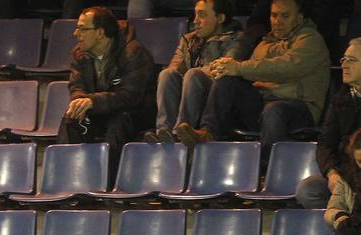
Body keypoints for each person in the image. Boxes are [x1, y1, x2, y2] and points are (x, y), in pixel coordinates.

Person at [174, 0, 328, 152]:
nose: (277, 21)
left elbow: (287, 67)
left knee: (274, 109)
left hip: (299, 106)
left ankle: (267, 166)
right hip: (262, 103)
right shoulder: (264, 43)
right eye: (274, 16)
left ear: (300, 17)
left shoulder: (311, 40)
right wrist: (227, 68)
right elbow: (251, 72)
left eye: (285, 16)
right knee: (227, 80)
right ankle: (208, 132)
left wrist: (238, 68)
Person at [59, 7, 155, 158]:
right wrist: (79, 102)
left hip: (135, 115)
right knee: (71, 117)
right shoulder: (79, 54)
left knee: (119, 121)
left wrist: (92, 101)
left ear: (100, 32)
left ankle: (108, 178)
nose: (76, 34)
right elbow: (76, 86)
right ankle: (67, 173)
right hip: (101, 112)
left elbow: (130, 97)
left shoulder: (134, 53)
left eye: (82, 29)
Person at [150, 0, 245, 144]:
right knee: (167, 74)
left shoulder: (237, 39)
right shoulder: (188, 40)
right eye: (195, 15)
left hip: (216, 104)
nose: (195, 21)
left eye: (202, 15)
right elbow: (175, 67)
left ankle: (181, 132)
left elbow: (223, 69)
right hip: (189, 94)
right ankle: (164, 131)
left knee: (193, 74)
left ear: (220, 18)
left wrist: (211, 45)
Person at [297, 37, 361, 209]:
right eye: (344, 59)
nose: (344, 65)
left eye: (352, 60)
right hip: (345, 174)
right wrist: (331, 173)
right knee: (308, 190)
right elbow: (325, 143)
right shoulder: (340, 98)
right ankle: (343, 225)